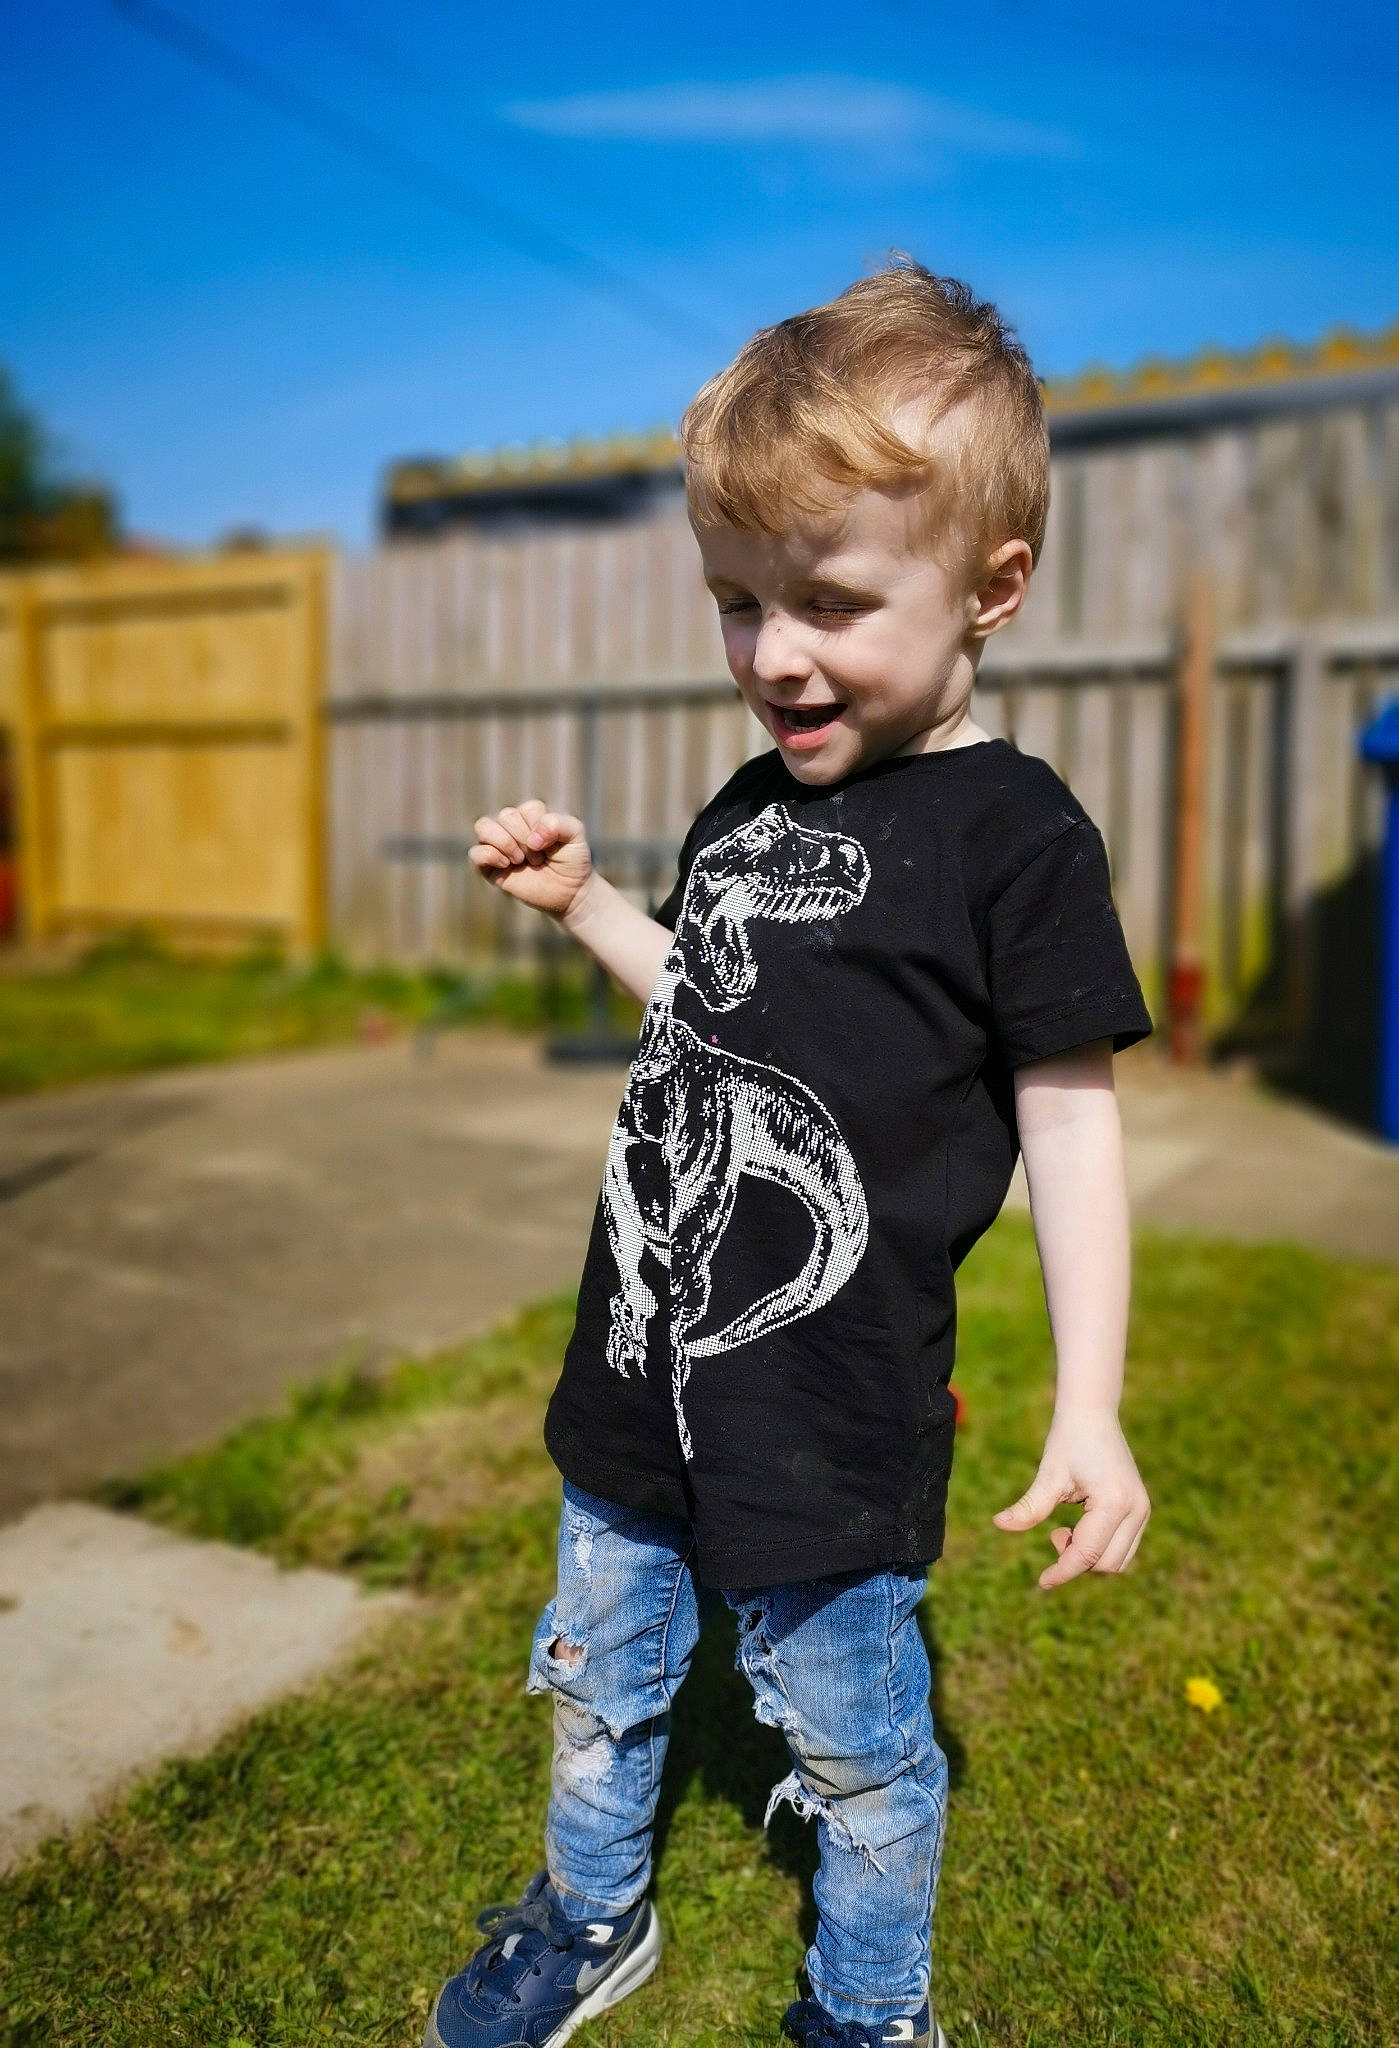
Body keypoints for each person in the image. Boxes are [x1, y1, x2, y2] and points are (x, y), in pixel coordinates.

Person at [428, 261, 1153, 2048]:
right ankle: (594, 1916)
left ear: (992, 589)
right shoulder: (754, 809)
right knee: (598, 1685)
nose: (772, 655)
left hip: (828, 1417)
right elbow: (707, 1007)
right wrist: (591, 901)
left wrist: (1094, 1399)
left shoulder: (1017, 841)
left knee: (854, 1744)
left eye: (825, 601)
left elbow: (1071, 1126)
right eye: (735, 602)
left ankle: (868, 2001)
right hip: (640, 1369)